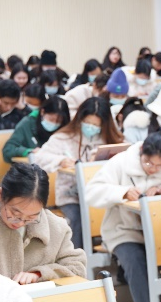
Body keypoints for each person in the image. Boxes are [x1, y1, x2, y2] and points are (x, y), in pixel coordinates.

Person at [85, 133, 161, 302]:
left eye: (159, 166)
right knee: (135, 261)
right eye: (148, 163)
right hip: (122, 230)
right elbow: (91, 192)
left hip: (157, 232)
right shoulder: (121, 163)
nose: (153, 169)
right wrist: (122, 192)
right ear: (141, 152)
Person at [0, 163, 85, 284]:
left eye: (31, 217)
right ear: (0, 195)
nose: (20, 222)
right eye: (15, 213)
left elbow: (77, 267)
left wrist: (40, 274)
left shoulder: (56, 227)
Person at [34, 97, 122, 251]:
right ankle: (77, 256)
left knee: (120, 215)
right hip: (71, 195)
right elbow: (39, 158)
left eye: (96, 125)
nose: (90, 127)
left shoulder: (110, 139)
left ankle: (111, 254)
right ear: (80, 119)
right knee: (77, 218)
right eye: (87, 123)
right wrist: (61, 160)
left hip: (101, 193)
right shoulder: (64, 137)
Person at [3, 96, 70, 162]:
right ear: (42, 112)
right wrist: (29, 151)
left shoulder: (64, 128)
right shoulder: (27, 124)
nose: (54, 123)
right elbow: (8, 150)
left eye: (58, 121)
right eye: (51, 119)